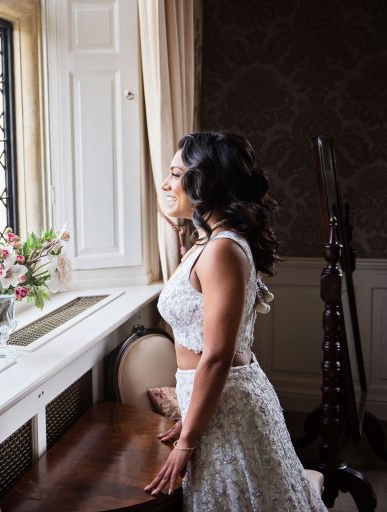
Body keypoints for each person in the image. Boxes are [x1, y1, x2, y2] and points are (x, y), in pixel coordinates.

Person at [144, 131, 326, 510]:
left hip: (231, 406)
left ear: (205, 181)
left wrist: (186, 441)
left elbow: (216, 356)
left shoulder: (222, 249)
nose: (165, 184)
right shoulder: (207, 242)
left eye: (175, 174)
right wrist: (191, 417)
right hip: (213, 403)